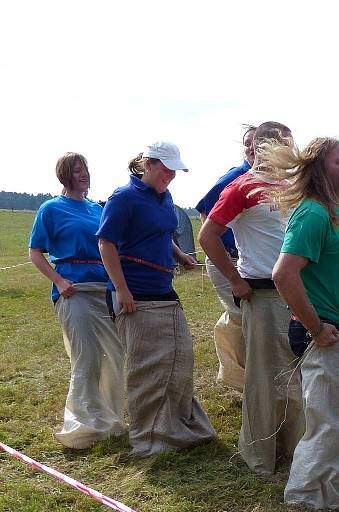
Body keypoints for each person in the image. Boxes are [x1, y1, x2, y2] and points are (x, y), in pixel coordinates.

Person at [264, 137, 339, 509]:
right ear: (317, 168)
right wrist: (316, 328)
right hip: (327, 333)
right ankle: (310, 495)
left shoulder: (333, 213)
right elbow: (284, 275)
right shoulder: (312, 214)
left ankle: (331, 489)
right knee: (331, 421)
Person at [98, 141, 217, 457]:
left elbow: (162, 235)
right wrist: (121, 290)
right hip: (135, 293)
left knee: (179, 359)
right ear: (147, 164)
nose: (170, 175)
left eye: (174, 170)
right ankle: (149, 438)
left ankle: (176, 425)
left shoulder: (165, 197)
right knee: (148, 367)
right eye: (165, 169)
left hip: (163, 287)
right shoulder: (123, 198)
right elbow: (106, 244)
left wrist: (180, 256)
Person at [198, 121, 304, 476]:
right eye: (284, 144)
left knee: (295, 372)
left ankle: (295, 446)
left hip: (297, 293)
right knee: (263, 376)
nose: (291, 149)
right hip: (262, 293)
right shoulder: (241, 187)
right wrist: (235, 281)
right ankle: (261, 453)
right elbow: (208, 235)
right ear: (264, 147)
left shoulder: (292, 187)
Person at [28, 153, 125, 449]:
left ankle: (109, 415)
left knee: (115, 354)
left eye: (85, 169)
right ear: (65, 176)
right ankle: (84, 423)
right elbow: (35, 252)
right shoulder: (51, 209)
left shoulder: (97, 209)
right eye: (76, 170)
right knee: (87, 357)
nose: (84, 174)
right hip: (75, 291)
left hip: (103, 290)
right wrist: (59, 281)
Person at [195, 126, 256, 391]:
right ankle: (242, 379)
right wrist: (226, 255)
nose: (252, 148)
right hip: (227, 259)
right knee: (241, 317)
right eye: (247, 144)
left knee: (245, 318)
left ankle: (238, 373)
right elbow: (205, 215)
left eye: (257, 143)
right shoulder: (235, 177)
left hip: (253, 261)